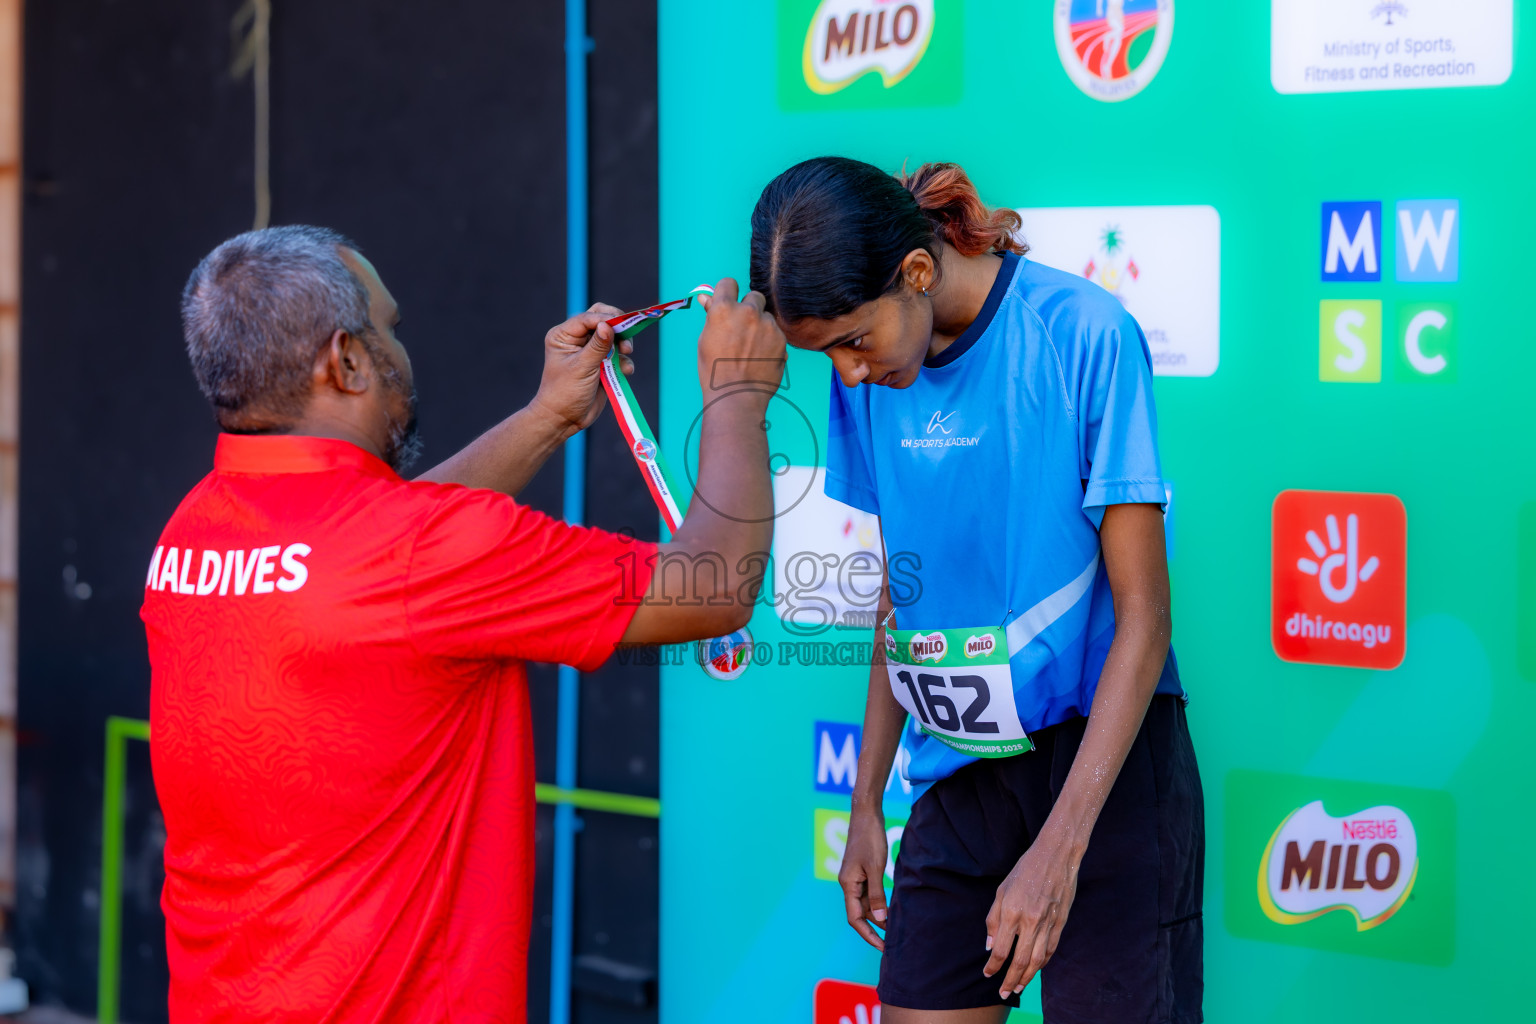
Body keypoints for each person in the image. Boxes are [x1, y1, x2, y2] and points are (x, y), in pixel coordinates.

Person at [141, 225, 783, 1022]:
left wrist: (549, 416)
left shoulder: (194, 529)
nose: (401, 353)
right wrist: (734, 398)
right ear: (344, 361)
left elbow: (384, 550)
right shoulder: (423, 555)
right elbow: (715, 587)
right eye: (391, 329)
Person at [750, 159, 1203, 1022]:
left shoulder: (1084, 332)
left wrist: (1059, 849)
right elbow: (900, 589)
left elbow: (1144, 619)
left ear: (916, 273)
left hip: (1101, 764)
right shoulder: (874, 376)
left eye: (852, 341)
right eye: (826, 356)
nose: (845, 375)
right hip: (956, 766)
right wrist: (865, 805)